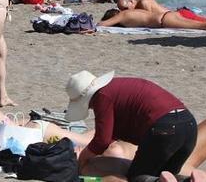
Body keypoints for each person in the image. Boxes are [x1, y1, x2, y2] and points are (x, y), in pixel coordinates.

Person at [66, 71, 198, 181]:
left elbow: (102, 140)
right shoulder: (118, 89)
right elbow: (112, 135)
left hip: (164, 128)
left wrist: (82, 159)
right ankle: (189, 180)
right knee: (168, 175)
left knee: (137, 178)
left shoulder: (102, 96)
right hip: (189, 124)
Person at [99, 7, 206, 31]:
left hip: (165, 21)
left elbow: (102, 24)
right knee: (205, 22)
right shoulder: (131, 11)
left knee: (204, 26)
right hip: (168, 14)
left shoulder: (122, 15)